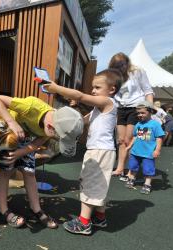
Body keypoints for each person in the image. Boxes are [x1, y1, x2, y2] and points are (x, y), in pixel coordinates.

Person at [43, 69, 123, 235]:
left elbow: (80, 95)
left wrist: (56, 88)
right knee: (97, 184)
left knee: (89, 186)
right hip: (99, 151)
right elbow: (81, 122)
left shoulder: (109, 102)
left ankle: (84, 223)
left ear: (112, 90)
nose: (93, 90)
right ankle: (99, 217)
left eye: (97, 87)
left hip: (99, 151)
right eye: (93, 87)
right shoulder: (98, 110)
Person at [0, 95, 83, 229]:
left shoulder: (55, 123)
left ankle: (36, 208)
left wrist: (19, 154)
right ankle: (3, 209)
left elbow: (35, 144)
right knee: (6, 171)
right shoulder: (31, 106)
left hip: (26, 141)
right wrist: (11, 122)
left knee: (29, 173)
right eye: (57, 138)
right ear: (50, 127)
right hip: (9, 134)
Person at [108, 53, 154, 178]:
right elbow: (111, 93)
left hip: (136, 108)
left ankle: (128, 169)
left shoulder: (138, 72)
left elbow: (148, 91)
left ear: (127, 63)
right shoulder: (113, 75)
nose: (120, 68)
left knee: (129, 140)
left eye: (122, 65)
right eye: (116, 66)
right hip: (120, 108)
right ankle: (120, 168)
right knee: (121, 140)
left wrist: (149, 110)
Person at [125, 101, 165, 194]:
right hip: (136, 151)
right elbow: (135, 136)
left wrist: (157, 150)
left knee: (148, 169)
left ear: (150, 112)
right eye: (138, 113)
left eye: (143, 113)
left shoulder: (155, 124)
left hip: (148, 153)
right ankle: (131, 179)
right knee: (133, 167)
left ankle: (147, 184)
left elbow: (159, 138)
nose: (140, 115)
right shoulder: (138, 124)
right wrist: (130, 146)